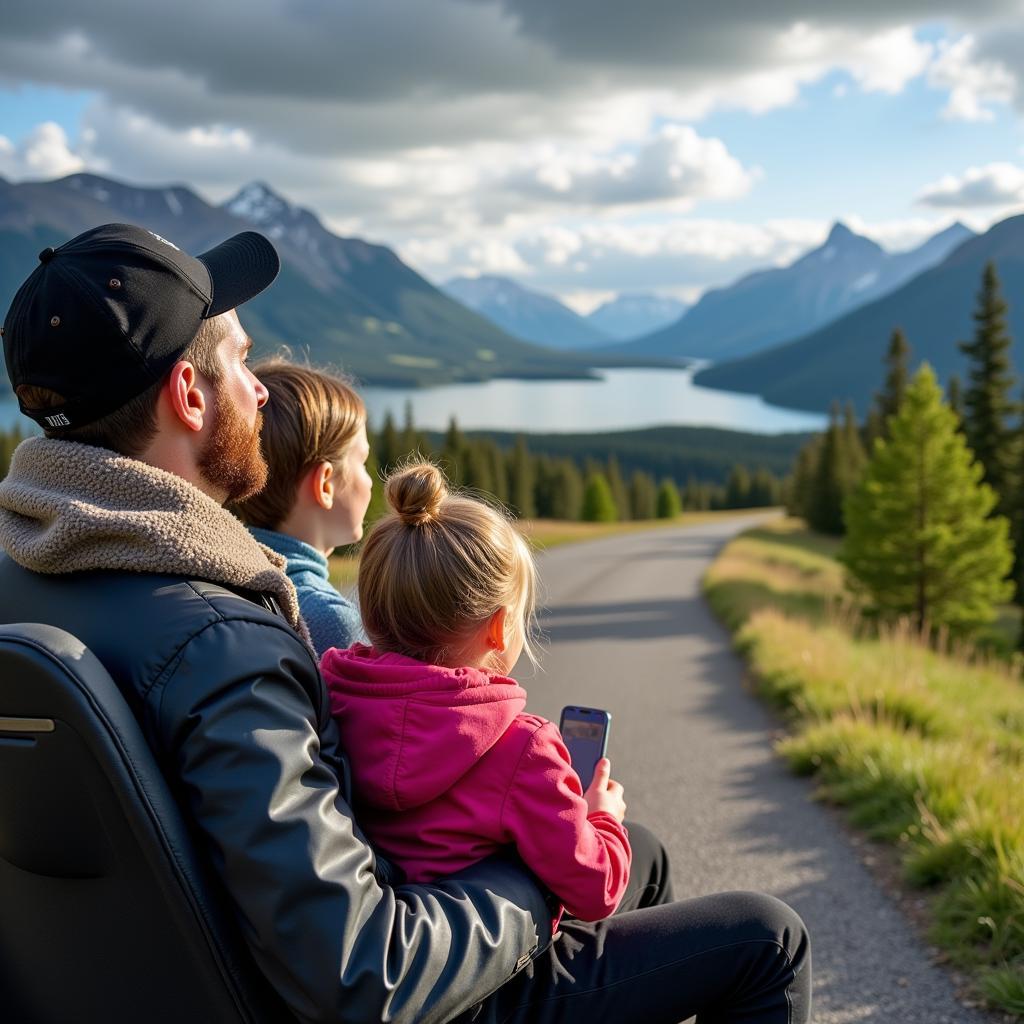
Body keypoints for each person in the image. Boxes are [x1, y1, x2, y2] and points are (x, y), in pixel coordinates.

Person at [0, 223, 812, 1023]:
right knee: (767, 939)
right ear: (188, 395)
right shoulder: (221, 645)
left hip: (147, 986)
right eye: (243, 362)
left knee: (647, 854)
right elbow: (361, 975)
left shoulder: (29, 583)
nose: (259, 389)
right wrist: (534, 879)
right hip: (358, 988)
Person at [322, 461, 630, 926]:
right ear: (500, 627)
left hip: (404, 954)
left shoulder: (327, 701)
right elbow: (597, 889)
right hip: (497, 970)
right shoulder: (522, 748)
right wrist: (604, 818)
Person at [233, 359, 371, 658]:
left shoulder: (232, 579)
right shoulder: (331, 620)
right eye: (362, 462)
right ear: (325, 485)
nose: (370, 481)